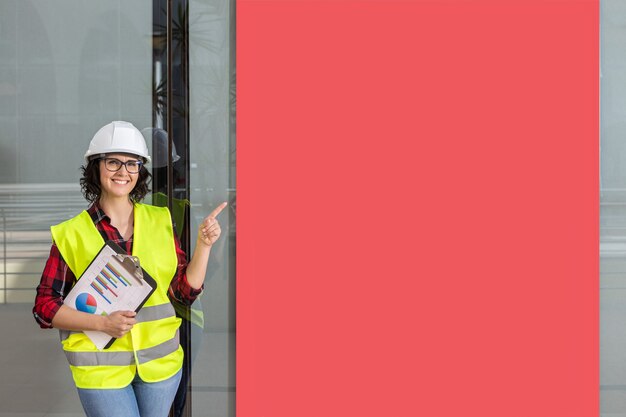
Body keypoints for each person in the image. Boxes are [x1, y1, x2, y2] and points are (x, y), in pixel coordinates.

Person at [32, 121, 227, 417]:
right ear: (96, 167)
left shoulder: (161, 221)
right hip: (101, 371)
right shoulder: (71, 233)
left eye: (132, 164)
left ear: (140, 171)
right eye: (113, 162)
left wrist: (204, 245)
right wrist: (102, 324)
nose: (123, 171)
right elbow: (44, 307)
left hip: (160, 366)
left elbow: (183, 293)